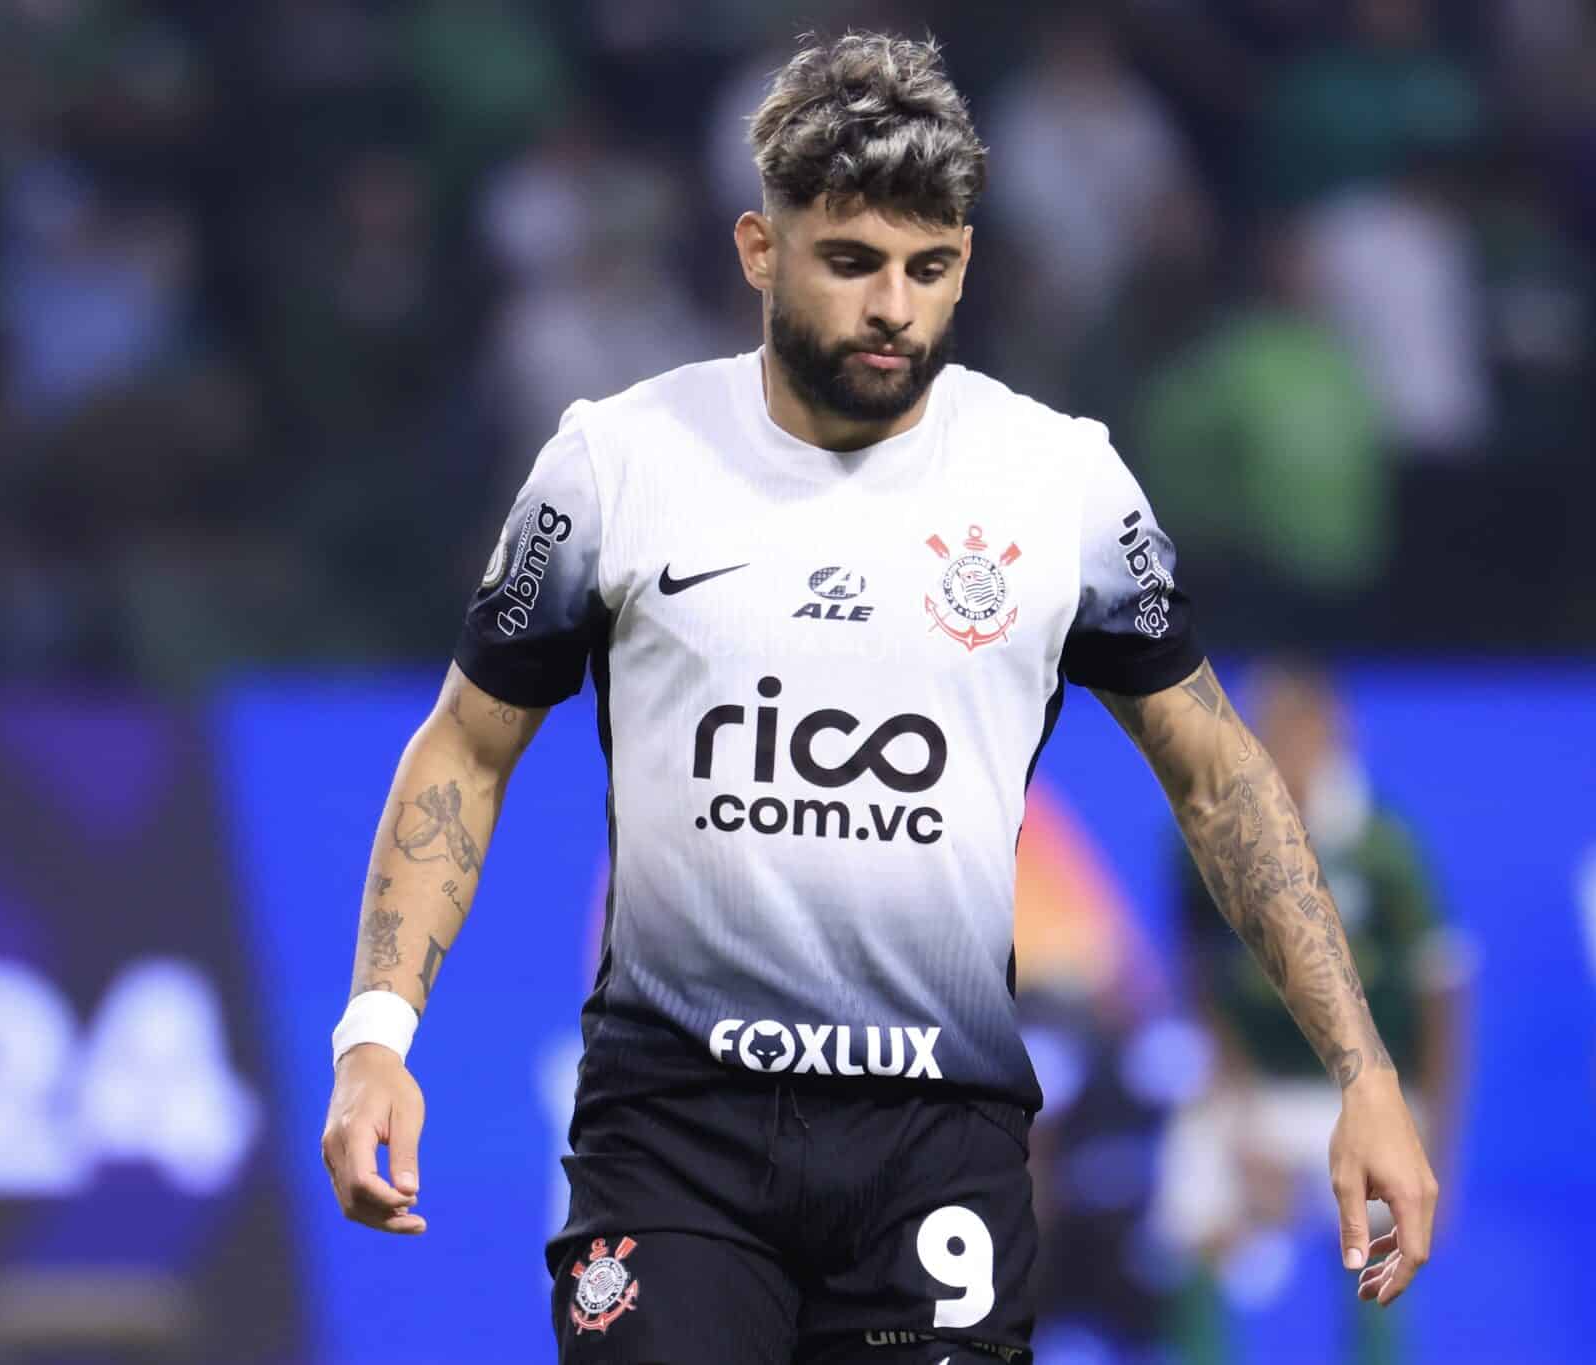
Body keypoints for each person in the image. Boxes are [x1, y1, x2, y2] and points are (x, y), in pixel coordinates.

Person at [317, 32, 1438, 1364]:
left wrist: (1362, 1068)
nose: (893, 309)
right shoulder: (613, 466)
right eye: (851, 262)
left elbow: (1216, 772)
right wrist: (375, 1034)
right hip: (676, 1138)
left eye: (930, 267)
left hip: (938, 1150)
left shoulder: (1059, 485)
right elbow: (465, 748)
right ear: (759, 250)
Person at [1158, 665, 1469, 1365]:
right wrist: (1239, 1117)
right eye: (1264, 730)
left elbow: (1442, 991)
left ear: (1334, 736)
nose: (1280, 749)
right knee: (1193, 1205)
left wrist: (1436, 1145)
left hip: (1363, 1089)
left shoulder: (1382, 845)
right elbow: (1200, 986)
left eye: (1298, 732)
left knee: (1386, 1241)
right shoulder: (1207, 834)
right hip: (1257, 1083)